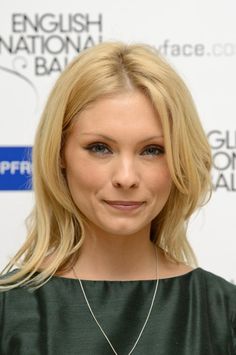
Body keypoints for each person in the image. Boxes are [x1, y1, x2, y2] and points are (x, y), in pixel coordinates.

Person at [0, 41, 235, 355]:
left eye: (152, 150)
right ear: (59, 153)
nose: (126, 177)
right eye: (100, 147)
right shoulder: (9, 311)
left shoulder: (222, 312)